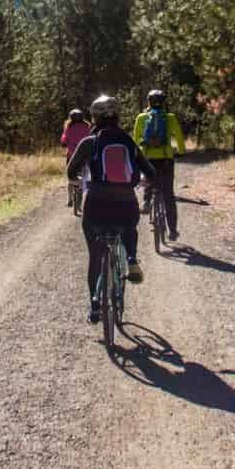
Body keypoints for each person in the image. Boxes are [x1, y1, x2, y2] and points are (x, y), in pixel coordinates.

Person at [66, 94, 156, 323]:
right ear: (117, 115)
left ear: (94, 117)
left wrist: (79, 181)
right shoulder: (128, 141)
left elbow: (71, 171)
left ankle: (95, 305)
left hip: (95, 204)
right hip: (125, 203)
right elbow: (150, 172)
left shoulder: (90, 142)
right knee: (127, 227)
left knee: (95, 255)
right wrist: (143, 180)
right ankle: (132, 258)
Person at [133, 89, 185, 242]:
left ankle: (147, 201)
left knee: (149, 179)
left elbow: (135, 139)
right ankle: (173, 230)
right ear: (164, 103)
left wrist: (136, 156)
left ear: (148, 102)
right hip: (166, 158)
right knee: (168, 193)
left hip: (147, 157)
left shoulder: (141, 117)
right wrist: (181, 151)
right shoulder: (170, 118)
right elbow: (179, 137)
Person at [60, 108, 93, 207]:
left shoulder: (69, 127)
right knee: (84, 175)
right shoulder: (87, 126)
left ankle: (70, 199)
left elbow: (64, 140)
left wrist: (64, 143)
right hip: (84, 156)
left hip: (72, 155)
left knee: (70, 177)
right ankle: (81, 194)